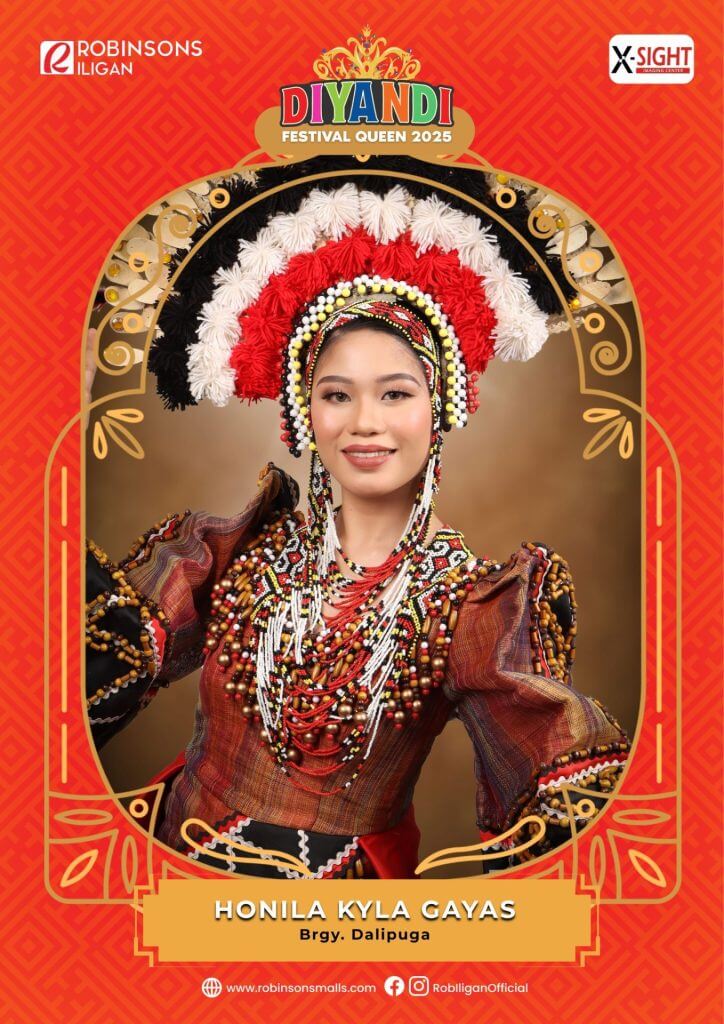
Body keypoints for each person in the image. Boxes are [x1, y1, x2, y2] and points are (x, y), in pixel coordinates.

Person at [85, 156, 631, 879]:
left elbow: (567, 776)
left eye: (396, 394)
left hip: (345, 920)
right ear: (303, 413)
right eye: (337, 395)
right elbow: (77, 662)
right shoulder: (230, 554)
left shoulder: (471, 610)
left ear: (443, 409)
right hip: (166, 864)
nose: (364, 424)